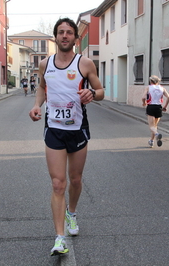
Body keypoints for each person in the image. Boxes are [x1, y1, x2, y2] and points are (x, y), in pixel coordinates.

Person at [29, 17, 104, 256]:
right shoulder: (45, 64)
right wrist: (37, 105)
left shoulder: (85, 64)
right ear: (55, 37)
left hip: (78, 129)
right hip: (53, 128)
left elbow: (101, 91)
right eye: (60, 32)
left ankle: (72, 212)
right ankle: (59, 237)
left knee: (76, 180)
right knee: (57, 183)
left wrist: (91, 93)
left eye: (69, 32)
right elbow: (42, 86)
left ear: (75, 37)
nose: (64, 36)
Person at [141, 75, 169, 148]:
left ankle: (157, 135)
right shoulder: (162, 88)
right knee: (155, 126)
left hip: (151, 106)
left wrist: (144, 102)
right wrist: (165, 107)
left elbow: (143, 97)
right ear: (158, 81)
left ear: (151, 81)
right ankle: (151, 141)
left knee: (151, 127)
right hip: (159, 107)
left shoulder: (148, 87)